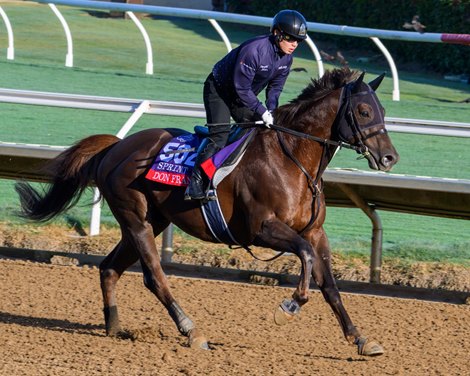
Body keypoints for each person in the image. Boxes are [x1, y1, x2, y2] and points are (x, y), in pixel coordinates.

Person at [185, 9, 308, 200]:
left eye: (298, 41)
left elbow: (274, 90)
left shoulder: (287, 59)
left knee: (260, 130)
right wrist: (261, 111)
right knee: (220, 135)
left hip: (244, 95)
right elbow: (241, 88)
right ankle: (196, 183)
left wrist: (271, 112)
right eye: (291, 39)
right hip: (219, 90)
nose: (295, 44)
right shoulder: (254, 51)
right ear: (277, 33)